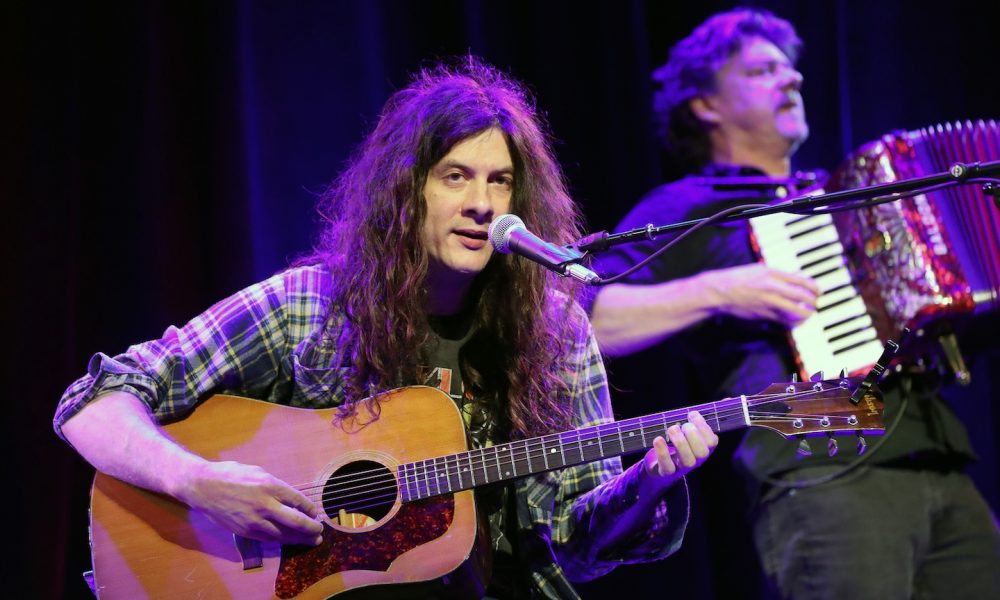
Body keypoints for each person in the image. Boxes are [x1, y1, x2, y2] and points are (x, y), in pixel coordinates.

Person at [53, 57, 718, 599]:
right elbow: (91, 403)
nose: (482, 205)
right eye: (455, 177)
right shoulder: (312, 306)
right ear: (407, 190)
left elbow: (578, 548)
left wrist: (650, 483)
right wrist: (197, 481)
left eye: (501, 182)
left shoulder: (555, 335)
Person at [589, 8, 1000, 600]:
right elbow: (587, 323)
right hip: (824, 471)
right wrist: (720, 290)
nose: (792, 80)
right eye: (762, 70)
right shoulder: (691, 203)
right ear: (705, 104)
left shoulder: (848, 194)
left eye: (791, 69)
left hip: (938, 459)